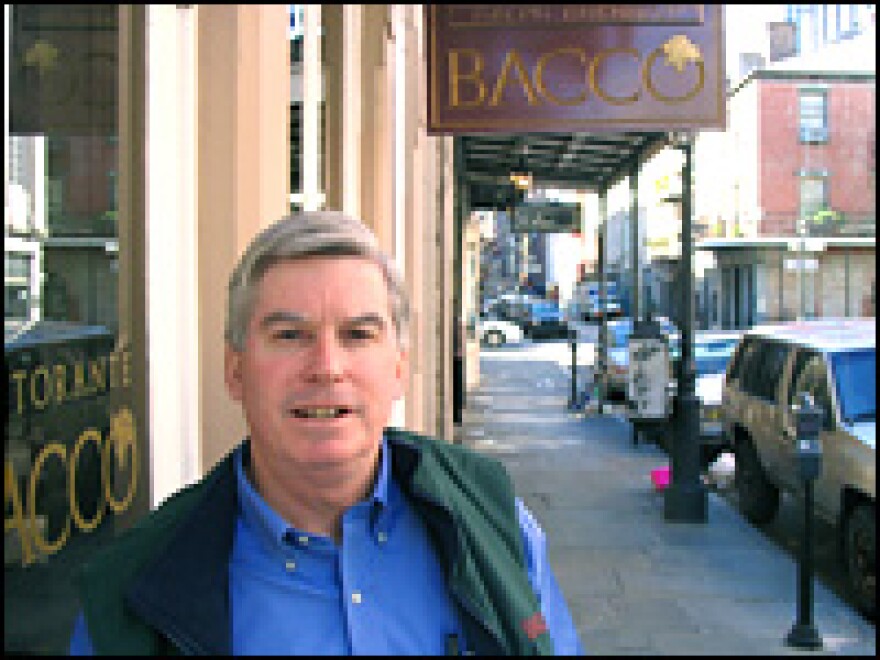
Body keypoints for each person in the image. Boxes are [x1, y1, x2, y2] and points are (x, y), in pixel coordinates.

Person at [68, 210, 584, 655]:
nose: (327, 367)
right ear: (235, 371)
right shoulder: (134, 590)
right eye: (290, 336)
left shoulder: (492, 522)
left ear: (399, 368)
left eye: (358, 335)